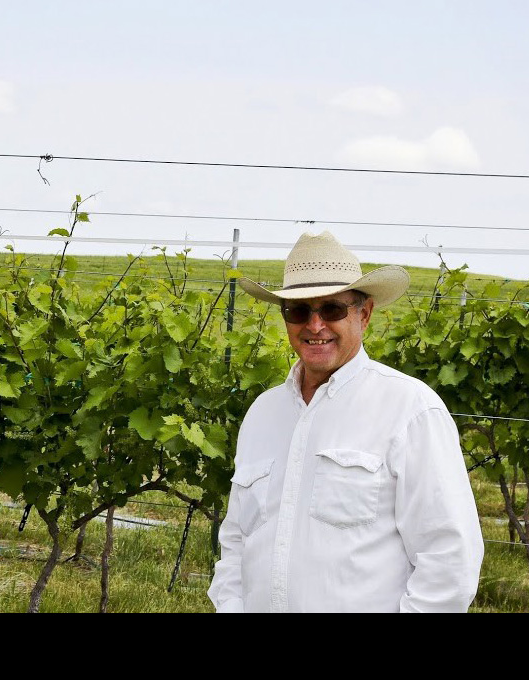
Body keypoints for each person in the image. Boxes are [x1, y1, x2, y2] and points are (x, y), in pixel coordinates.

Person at [207, 231, 483, 613]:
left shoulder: (411, 410)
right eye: (299, 310)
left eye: (333, 309)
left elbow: (449, 560)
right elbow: (237, 541)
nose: (315, 325)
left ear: (364, 313)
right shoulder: (262, 413)